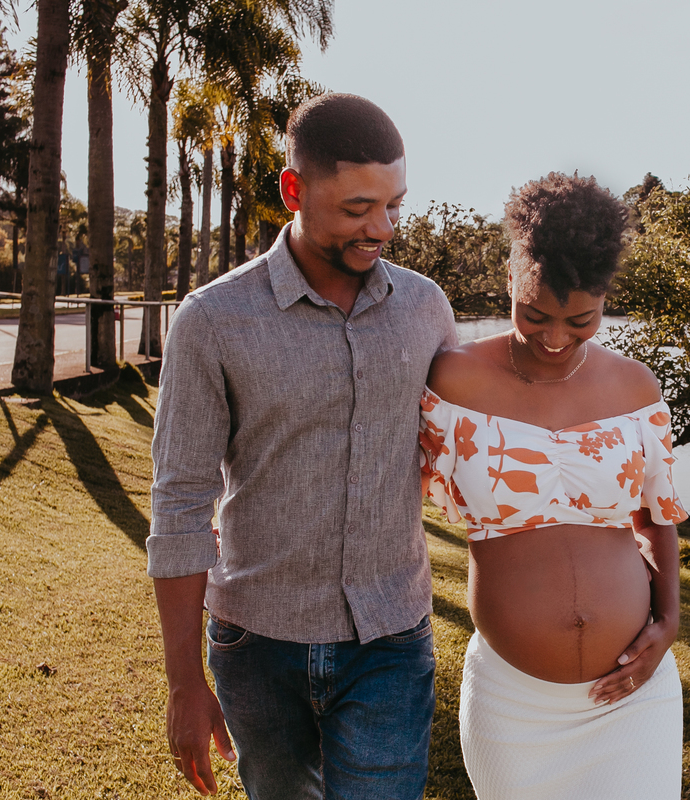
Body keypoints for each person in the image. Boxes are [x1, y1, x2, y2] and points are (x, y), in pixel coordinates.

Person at [147, 93, 457, 798]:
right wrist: (184, 682)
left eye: (394, 205)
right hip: (256, 645)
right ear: (294, 190)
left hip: (391, 640)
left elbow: (476, 436)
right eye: (357, 209)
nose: (382, 228)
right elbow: (181, 501)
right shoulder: (212, 321)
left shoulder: (426, 309)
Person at [420, 172, 688, 799]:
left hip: (634, 696)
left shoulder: (635, 389)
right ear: (510, 277)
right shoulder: (453, 383)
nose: (556, 338)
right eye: (535, 314)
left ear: (604, 298)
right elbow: (389, 494)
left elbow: (656, 518)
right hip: (514, 705)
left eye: (581, 320)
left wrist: (670, 622)